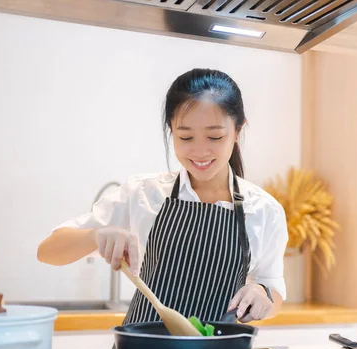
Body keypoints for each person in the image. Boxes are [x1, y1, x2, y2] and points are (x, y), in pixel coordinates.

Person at [37, 68, 288, 324]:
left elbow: (274, 293)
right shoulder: (143, 194)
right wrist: (95, 235)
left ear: (237, 131)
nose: (200, 151)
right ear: (171, 130)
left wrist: (262, 293)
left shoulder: (266, 211)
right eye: (185, 136)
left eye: (215, 136)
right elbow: (47, 251)